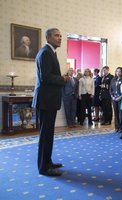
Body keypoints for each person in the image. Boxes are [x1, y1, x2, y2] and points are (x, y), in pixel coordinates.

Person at [32, 28, 69, 176]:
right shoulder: (46, 52)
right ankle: (44, 168)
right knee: (45, 134)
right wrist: (63, 79)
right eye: (56, 35)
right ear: (48, 37)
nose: (60, 38)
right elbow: (45, 77)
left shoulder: (51, 52)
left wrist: (60, 78)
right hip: (46, 100)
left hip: (49, 100)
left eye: (60, 35)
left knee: (48, 134)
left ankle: (47, 161)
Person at [110, 67, 122, 132]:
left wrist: (120, 97)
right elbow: (110, 89)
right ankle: (116, 127)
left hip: (121, 98)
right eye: (116, 71)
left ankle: (121, 127)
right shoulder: (113, 79)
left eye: (119, 71)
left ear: (121, 72)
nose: (118, 72)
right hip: (114, 98)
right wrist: (112, 96)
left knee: (121, 113)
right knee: (116, 113)